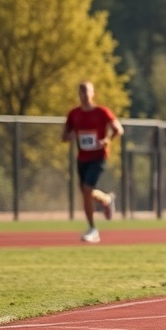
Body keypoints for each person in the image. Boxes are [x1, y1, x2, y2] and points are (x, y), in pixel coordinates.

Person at [62, 81, 123, 243]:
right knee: (85, 192)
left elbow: (118, 129)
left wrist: (107, 139)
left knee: (87, 189)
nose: (84, 95)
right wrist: (70, 136)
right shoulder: (74, 114)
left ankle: (92, 229)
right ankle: (106, 200)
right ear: (79, 95)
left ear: (93, 93)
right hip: (82, 158)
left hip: (99, 156)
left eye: (87, 92)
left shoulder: (102, 112)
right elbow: (64, 135)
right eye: (81, 92)